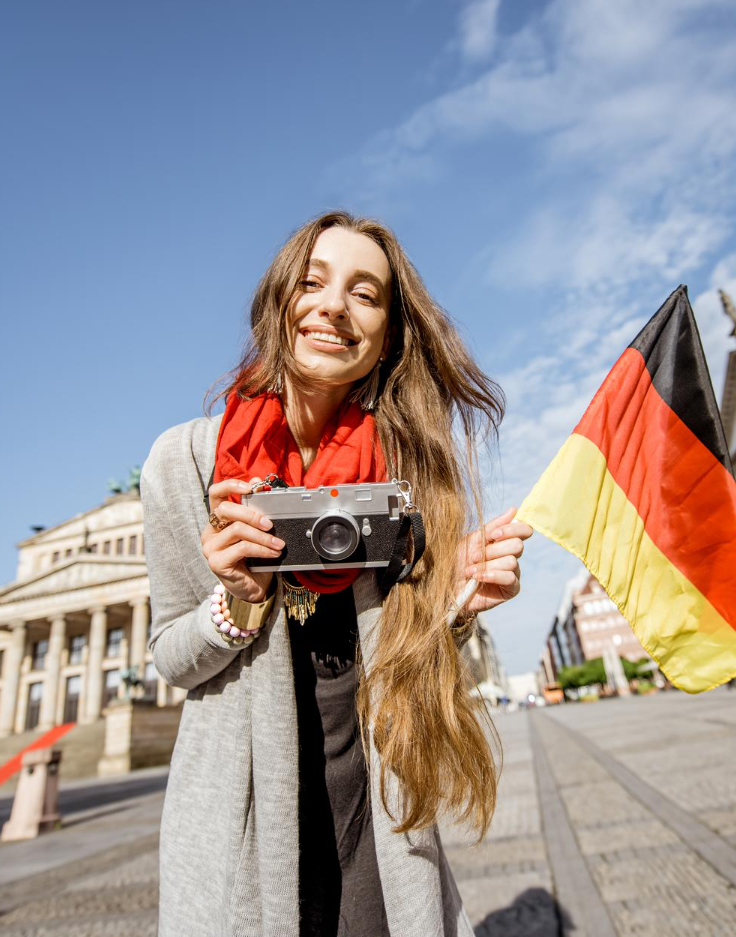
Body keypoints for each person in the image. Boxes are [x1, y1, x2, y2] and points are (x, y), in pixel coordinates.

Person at [141, 211, 533, 936]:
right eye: (313, 282)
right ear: (278, 302)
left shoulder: (407, 468)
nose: (333, 306)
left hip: (376, 810)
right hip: (244, 818)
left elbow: (407, 645)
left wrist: (457, 599)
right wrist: (234, 602)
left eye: (366, 292)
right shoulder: (186, 461)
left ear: (387, 335)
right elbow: (171, 656)